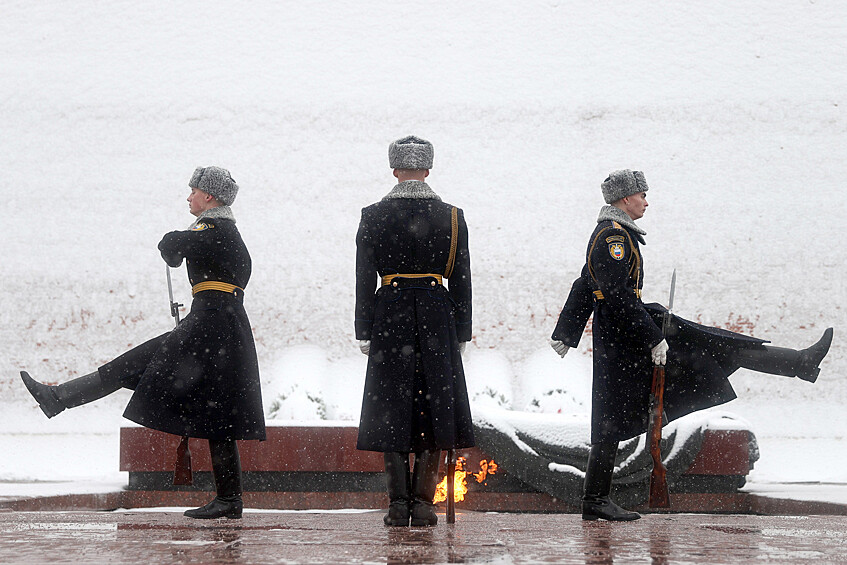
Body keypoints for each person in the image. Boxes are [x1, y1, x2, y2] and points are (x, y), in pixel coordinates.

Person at [550, 169, 832, 521]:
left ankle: (799, 363)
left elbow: (587, 280)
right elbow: (613, 293)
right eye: (642, 195)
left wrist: (566, 332)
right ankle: (594, 501)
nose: (646, 202)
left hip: (628, 330)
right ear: (625, 199)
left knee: (715, 345)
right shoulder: (612, 237)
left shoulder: (615, 233)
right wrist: (652, 339)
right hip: (626, 336)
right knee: (610, 418)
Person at [19, 166, 265, 520]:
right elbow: (183, 252)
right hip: (218, 325)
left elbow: (174, 246)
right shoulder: (226, 233)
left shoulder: (216, 229)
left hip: (210, 325)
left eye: (192, 191)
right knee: (217, 413)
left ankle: (58, 398)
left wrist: (170, 240)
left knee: (132, 369)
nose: (188, 197)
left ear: (209, 196)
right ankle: (229, 500)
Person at [355, 136, 475, 527]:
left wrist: (364, 328)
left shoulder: (372, 215)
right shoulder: (453, 217)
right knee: (434, 409)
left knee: (390, 408)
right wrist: (462, 330)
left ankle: (397, 504)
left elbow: (362, 278)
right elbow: (461, 279)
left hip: (388, 315)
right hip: (437, 316)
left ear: (394, 170)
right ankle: (422, 506)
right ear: (428, 170)